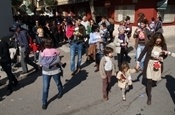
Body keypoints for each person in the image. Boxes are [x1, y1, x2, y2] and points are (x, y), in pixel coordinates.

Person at [136, 32, 168, 105]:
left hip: (157, 64)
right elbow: (143, 52)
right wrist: (138, 61)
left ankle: (153, 83)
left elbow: (165, 56)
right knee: (149, 80)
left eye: (159, 41)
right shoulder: (150, 44)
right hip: (149, 63)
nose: (158, 42)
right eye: (157, 41)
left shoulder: (163, 45)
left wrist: (163, 56)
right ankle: (149, 96)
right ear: (154, 40)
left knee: (154, 79)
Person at [39, 38, 65, 110]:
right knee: (56, 83)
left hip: (49, 71)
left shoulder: (43, 51)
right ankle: (59, 92)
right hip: (52, 71)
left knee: (47, 87)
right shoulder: (54, 50)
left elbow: (41, 61)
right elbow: (58, 55)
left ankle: (44, 102)